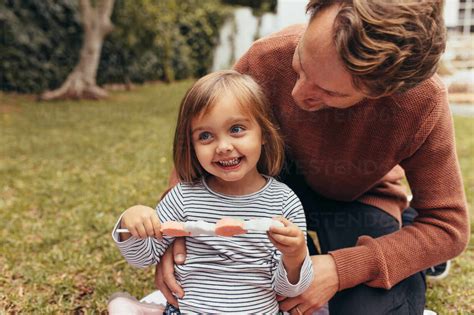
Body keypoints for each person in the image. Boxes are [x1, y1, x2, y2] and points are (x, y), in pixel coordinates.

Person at [155, 1, 470, 314]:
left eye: (331, 93)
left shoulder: (422, 101)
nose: (297, 94)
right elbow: (198, 153)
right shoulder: (265, 58)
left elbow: (446, 225)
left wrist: (339, 269)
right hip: (265, 191)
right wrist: (175, 234)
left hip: (358, 199)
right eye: (300, 63)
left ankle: (405, 227)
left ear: (386, 90)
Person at [111, 70, 315, 314]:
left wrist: (295, 257)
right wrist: (131, 222)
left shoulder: (284, 202)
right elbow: (142, 258)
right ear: (191, 144)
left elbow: (288, 288)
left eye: (237, 129)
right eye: (205, 136)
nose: (224, 147)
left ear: (263, 133)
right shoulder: (183, 197)